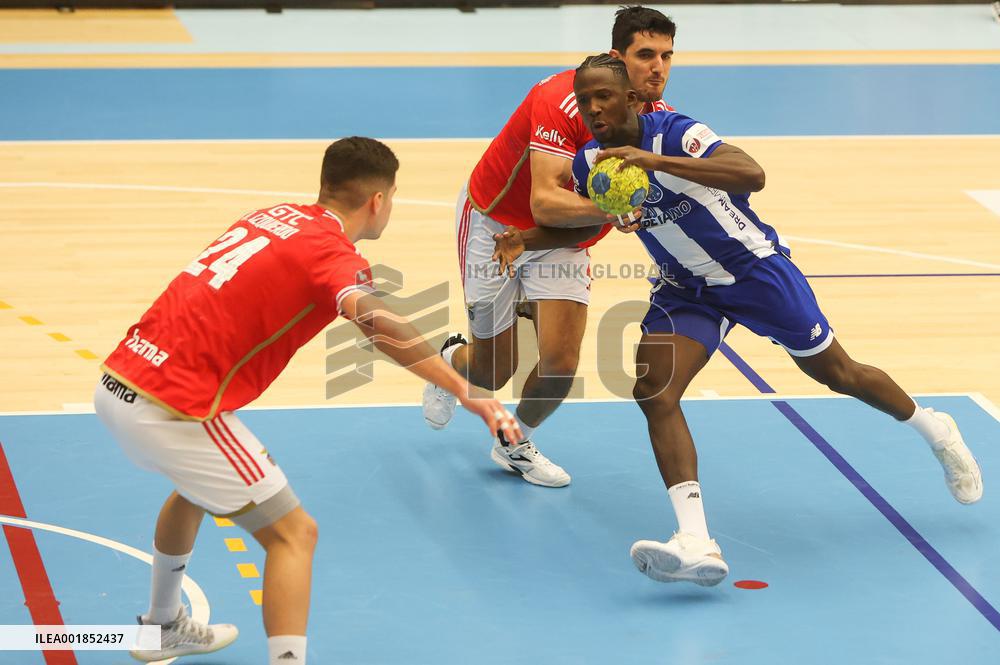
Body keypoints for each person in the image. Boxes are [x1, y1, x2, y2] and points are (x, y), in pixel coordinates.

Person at [493, 55, 983, 586]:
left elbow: (752, 173)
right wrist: (530, 238)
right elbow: (599, 223)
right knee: (655, 390)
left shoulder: (677, 133)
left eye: (603, 97)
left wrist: (656, 164)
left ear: (632, 99)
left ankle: (934, 428)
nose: (592, 109)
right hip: (685, 289)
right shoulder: (592, 163)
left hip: (755, 273)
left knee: (839, 374)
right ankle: (696, 542)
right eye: (584, 100)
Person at [94, 137, 521, 663]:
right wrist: (467, 390)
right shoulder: (332, 254)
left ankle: (162, 626)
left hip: (119, 379)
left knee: (195, 487)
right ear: (378, 202)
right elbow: (378, 324)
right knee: (294, 535)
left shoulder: (272, 216)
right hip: (173, 406)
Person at [422, 5, 676, 488]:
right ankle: (449, 360)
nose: (658, 68)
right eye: (646, 55)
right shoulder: (563, 98)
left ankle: (513, 442)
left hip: (565, 239)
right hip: (495, 226)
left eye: (667, 55)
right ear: (617, 56)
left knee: (560, 367)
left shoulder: (658, 118)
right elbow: (544, 203)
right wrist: (615, 211)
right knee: (493, 371)